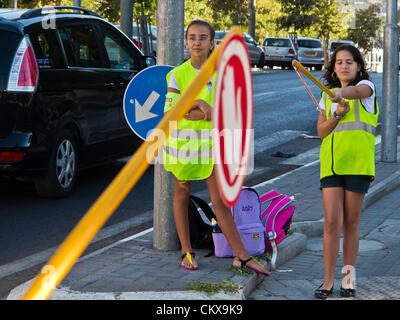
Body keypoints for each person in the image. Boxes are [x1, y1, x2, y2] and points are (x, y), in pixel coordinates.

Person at [163, 19, 270, 276]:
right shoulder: (177, 74)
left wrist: (200, 112)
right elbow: (171, 111)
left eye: (202, 37)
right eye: (192, 37)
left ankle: (241, 256)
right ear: (186, 42)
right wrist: (200, 101)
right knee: (181, 195)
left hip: (215, 146)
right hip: (183, 146)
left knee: (219, 200)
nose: (196, 42)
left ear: (212, 43)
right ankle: (186, 251)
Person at [314, 45, 379, 299]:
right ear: (333, 68)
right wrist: (336, 115)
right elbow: (321, 131)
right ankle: (328, 280)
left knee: (351, 223)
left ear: (359, 66)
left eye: (349, 62)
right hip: (331, 165)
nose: (344, 66)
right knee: (331, 222)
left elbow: (354, 91)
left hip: (359, 166)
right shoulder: (326, 97)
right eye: (339, 62)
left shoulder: (367, 89)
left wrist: (340, 94)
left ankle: (348, 279)